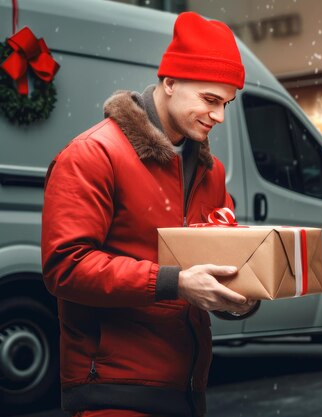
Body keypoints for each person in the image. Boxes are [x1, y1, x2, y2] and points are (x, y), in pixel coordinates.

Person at [41, 12, 259, 417]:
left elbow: (219, 264)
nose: (220, 117)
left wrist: (240, 298)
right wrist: (175, 283)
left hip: (188, 392)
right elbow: (64, 266)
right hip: (110, 393)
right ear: (170, 82)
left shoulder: (213, 173)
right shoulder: (93, 154)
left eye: (227, 103)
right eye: (210, 100)